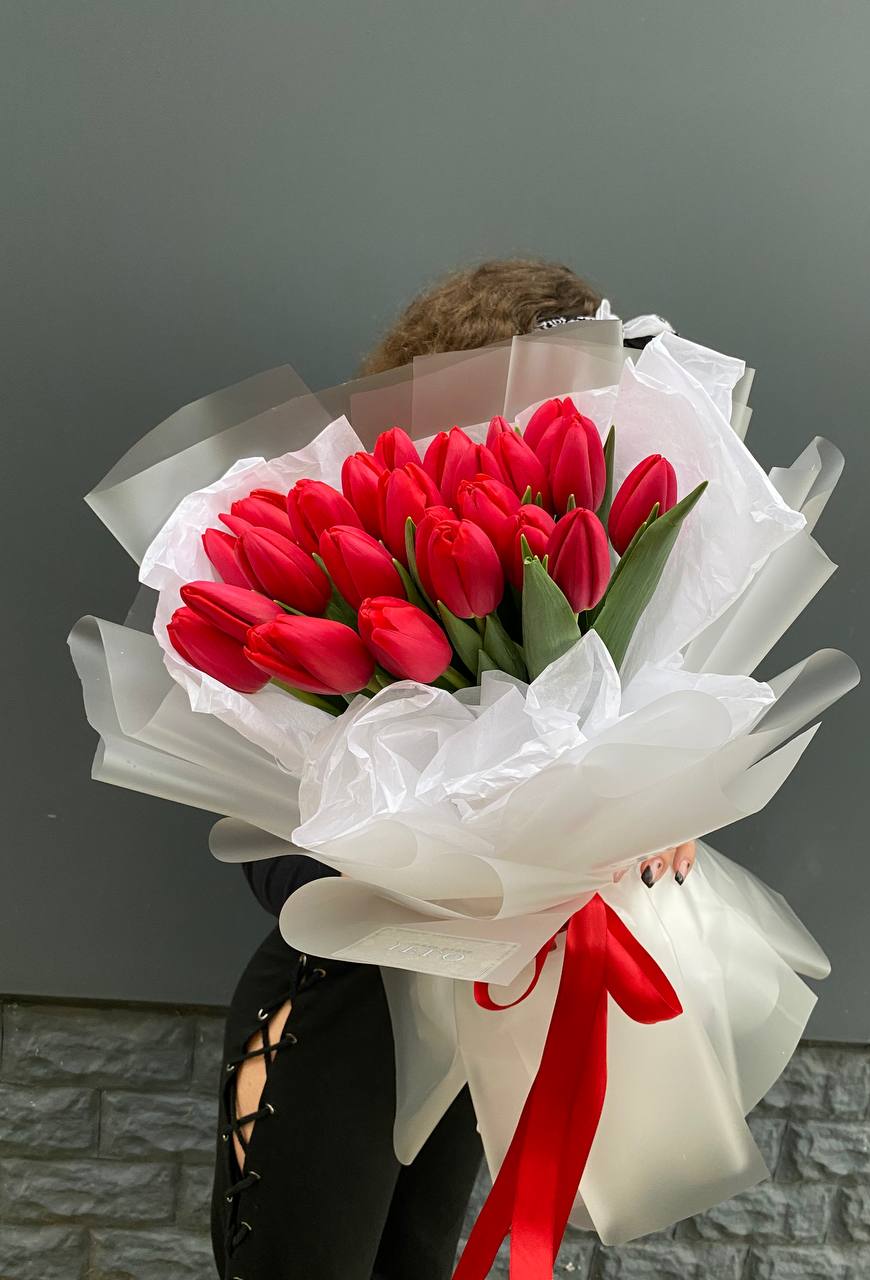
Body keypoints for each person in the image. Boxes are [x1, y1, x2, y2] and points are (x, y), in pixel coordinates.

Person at [209, 258, 696, 1280]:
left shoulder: (574, 561)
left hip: (473, 1006)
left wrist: (641, 824)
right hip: (341, 1007)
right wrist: (427, 861)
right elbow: (267, 848)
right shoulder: (349, 538)